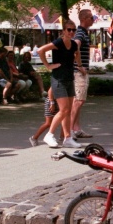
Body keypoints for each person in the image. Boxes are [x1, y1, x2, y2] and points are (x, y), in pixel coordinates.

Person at [39, 21, 82, 149]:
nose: (71, 32)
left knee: (68, 111)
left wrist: (80, 66)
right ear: (63, 31)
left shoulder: (74, 44)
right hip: (58, 80)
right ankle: (49, 135)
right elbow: (41, 50)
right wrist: (48, 66)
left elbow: (77, 53)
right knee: (64, 110)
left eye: (74, 30)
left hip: (69, 79)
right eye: (69, 30)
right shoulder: (58, 42)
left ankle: (67, 138)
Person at [70, 9, 93, 139]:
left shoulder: (83, 32)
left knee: (78, 101)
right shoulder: (80, 33)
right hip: (79, 73)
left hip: (79, 72)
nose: (93, 20)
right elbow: (75, 46)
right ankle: (70, 131)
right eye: (91, 17)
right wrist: (79, 66)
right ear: (83, 18)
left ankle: (76, 129)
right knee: (79, 101)